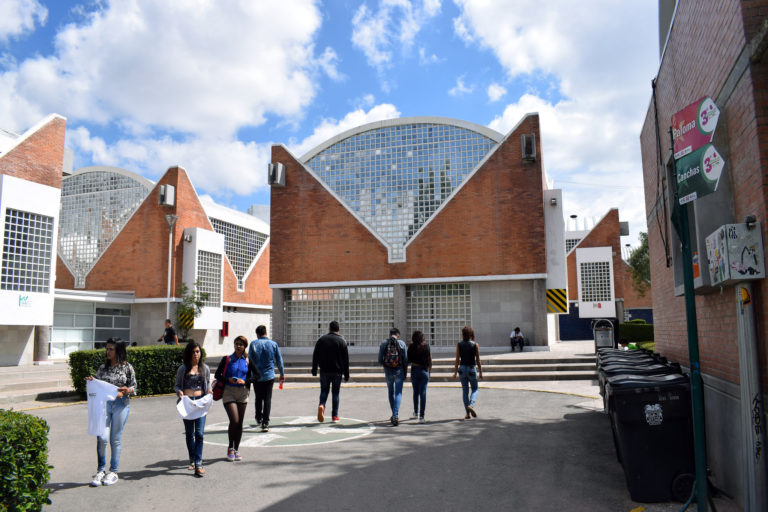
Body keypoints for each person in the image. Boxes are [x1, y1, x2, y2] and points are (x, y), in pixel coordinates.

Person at [86, 338, 137, 487]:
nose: (107, 352)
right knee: (102, 437)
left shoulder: (127, 367)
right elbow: (98, 385)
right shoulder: (103, 368)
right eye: (106, 349)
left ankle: (113, 471)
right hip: (104, 406)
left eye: (111, 349)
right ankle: (100, 470)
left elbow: (134, 386)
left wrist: (129, 390)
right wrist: (92, 381)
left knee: (115, 439)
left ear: (118, 351)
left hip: (121, 405)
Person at [174, 341, 211, 477]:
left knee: (199, 434)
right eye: (194, 352)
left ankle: (199, 462)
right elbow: (177, 385)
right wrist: (179, 392)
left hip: (200, 403)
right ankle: (192, 459)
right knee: (190, 434)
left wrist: (210, 391)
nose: (196, 354)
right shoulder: (182, 369)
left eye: (198, 351)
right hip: (187, 404)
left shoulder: (205, 368)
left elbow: (207, 385)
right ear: (189, 353)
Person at [215, 336, 250, 461]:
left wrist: (245, 381)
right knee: (234, 420)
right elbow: (217, 375)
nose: (238, 346)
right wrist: (228, 379)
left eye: (241, 344)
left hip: (243, 393)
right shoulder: (227, 359)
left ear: (245, 346)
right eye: (236, 344)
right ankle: (230, 447)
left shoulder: (247, 360)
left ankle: (236, 449)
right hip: (229, 392)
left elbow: (257, 375)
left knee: (240, 423)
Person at [311, 320, 350, 423]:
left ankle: (322, 405)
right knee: (335, 393)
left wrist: (314, 369)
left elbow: (315, 355)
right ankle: (335, 416)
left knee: (324, 391)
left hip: (324, 371)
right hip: (337, 371)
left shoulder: (322, 340)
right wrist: (346, 374)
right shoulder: (342, 341)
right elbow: (346, 360)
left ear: (329, 328)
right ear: (338, 329)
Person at [248, 325, 284, 432]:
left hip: (257, 376)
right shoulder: (273, 344)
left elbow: (249, 361)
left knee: (258, 398)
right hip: (269, 376)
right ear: (266, 333)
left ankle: (258, 417)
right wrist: (282, 373)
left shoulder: (253, 344)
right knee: (267, 399)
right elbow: (279, 360)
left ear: (257, 334)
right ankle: (265, 422)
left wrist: (249, 377)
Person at [378, 327, 408, 426]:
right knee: (398, 393)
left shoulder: (383, 343)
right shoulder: (402, 343)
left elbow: (379, 359)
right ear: (398, 335)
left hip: (388, 371)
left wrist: (387, 366)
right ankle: (395, 415)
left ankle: (394, 415)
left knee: (391, 392)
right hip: (399, 371)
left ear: (389, 334)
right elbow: (405, 360)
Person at [452, 326, 483, 420]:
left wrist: (454, 372)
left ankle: (467, 413)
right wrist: (481, 372)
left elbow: (457, 359)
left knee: (465, 391)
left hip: (462, 369)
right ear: (471, 334)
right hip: (471, 369)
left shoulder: (459, 344)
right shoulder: (475, 345)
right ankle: (471, 404)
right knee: (475, 389)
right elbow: (478, 360)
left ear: (463, 334)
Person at [407, 330, 432, 423]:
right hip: (424, 371)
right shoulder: (426, 346)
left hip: (414, 370)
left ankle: (416, 412)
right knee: (423, 393)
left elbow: (408, 360)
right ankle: (422, 417)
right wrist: (429, 372)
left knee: (415, 392)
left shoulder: (411, 346)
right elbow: (430, 360)